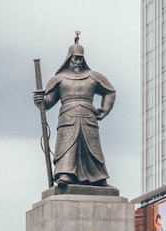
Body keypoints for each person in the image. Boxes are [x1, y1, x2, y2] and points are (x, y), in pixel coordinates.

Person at [32, 33, 117, 187]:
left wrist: (104, 110)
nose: (77, 61)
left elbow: (110, 91)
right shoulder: (60, 78)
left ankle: (98, 178)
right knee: (67, 145)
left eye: (80, 58)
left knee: (92, 149)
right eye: (74, 58)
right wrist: (41, 101)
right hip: (67, 117)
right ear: (69, 58)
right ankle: (65, 174)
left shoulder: (93, 76)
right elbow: (49, 102)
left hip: (88, 117)